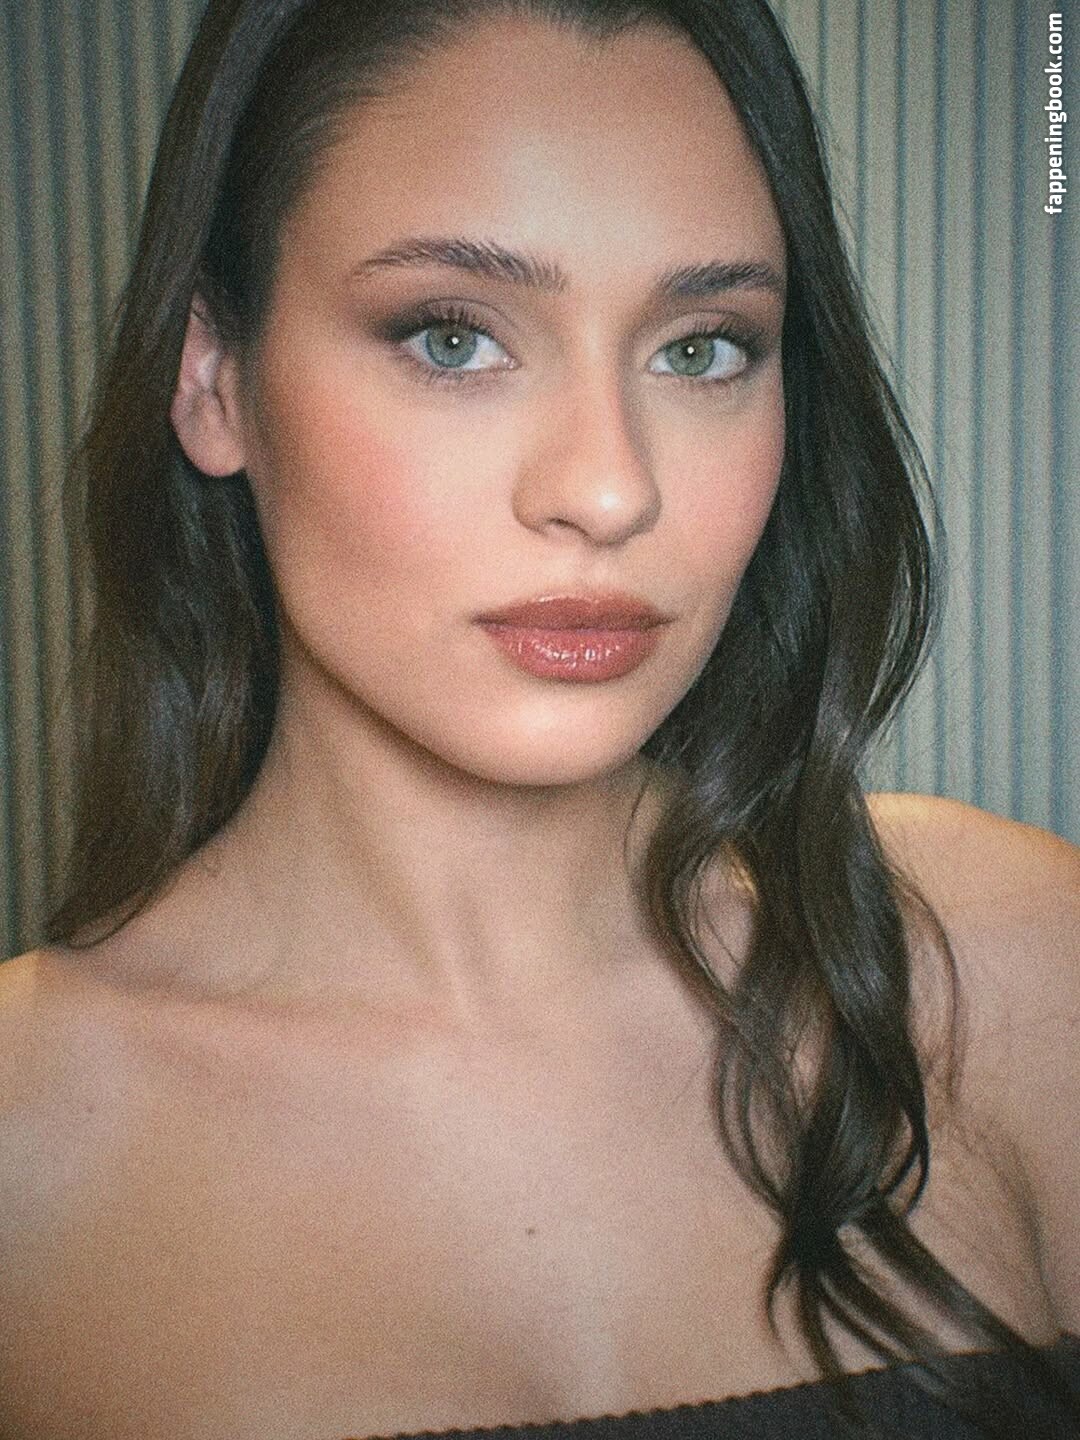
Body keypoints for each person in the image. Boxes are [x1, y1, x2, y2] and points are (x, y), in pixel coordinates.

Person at [0, 0, 1077, 1436]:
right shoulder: (24, 1143)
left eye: (703, 349)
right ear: (215, 380)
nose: (611, 489)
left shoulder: (1003, 966)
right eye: (453, 338)